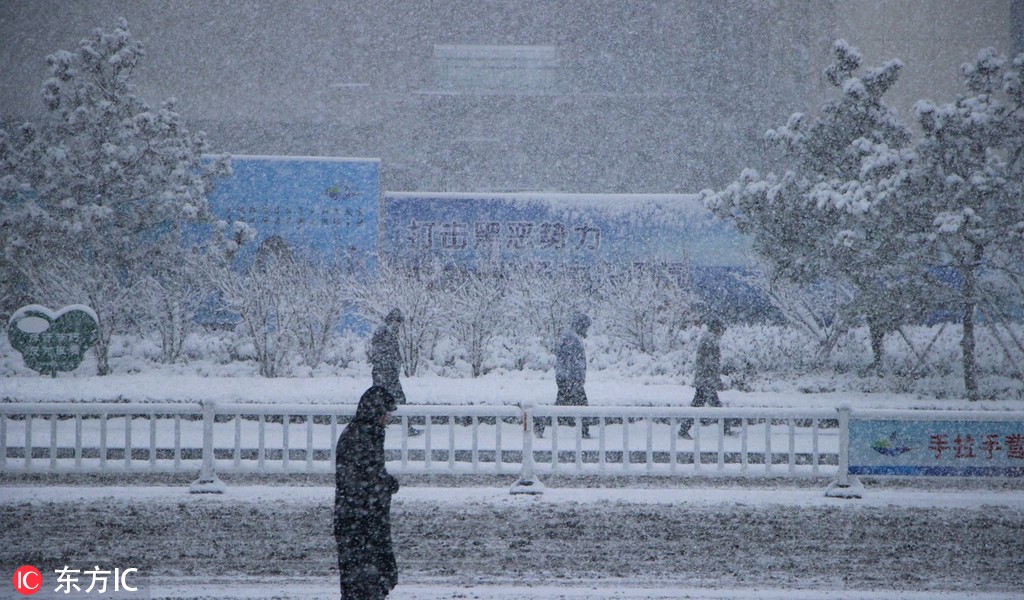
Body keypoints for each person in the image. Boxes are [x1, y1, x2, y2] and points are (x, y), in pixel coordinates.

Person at [334, 386, 400, 600]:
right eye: (386, 414)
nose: (387, 419)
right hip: (361, 524)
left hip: (361, 523)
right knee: (364, 583)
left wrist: (384, 482)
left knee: (363, 582)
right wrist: (382, 484)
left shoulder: (366, 433)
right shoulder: (361, 437)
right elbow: (357, 481)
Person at [535, 312, 595, 439]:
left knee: (561, 406)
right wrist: (577, 379)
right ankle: (584, 430)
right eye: (585, 327)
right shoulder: (572, 338)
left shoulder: (570, 336)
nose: (586, 331)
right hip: (570, 379)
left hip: (567, 379)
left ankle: (540, 422)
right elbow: (573, 362)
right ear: (580, 325)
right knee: (582, 406)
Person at [678, 317, 734, 438]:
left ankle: (683, 430)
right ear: (717, 329)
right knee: (716, 407)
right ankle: (726, 430)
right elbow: (711, 364)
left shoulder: (707, 339)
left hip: (704, 379)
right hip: (707, 381)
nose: (722, 332)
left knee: (697, 406)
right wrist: (715, 380)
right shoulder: (711, 341)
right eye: (721, 329)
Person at [369, 308, 421, 436]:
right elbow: (382, 355)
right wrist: (392, 366)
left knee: (383, 402)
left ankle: (376, 428)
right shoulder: (384, 333)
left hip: (385, 375)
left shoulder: (387, 332)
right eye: (398, 322)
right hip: (385, 375)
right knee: (397, 401)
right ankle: (406, 428)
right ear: (393, 320)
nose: (399, 325)